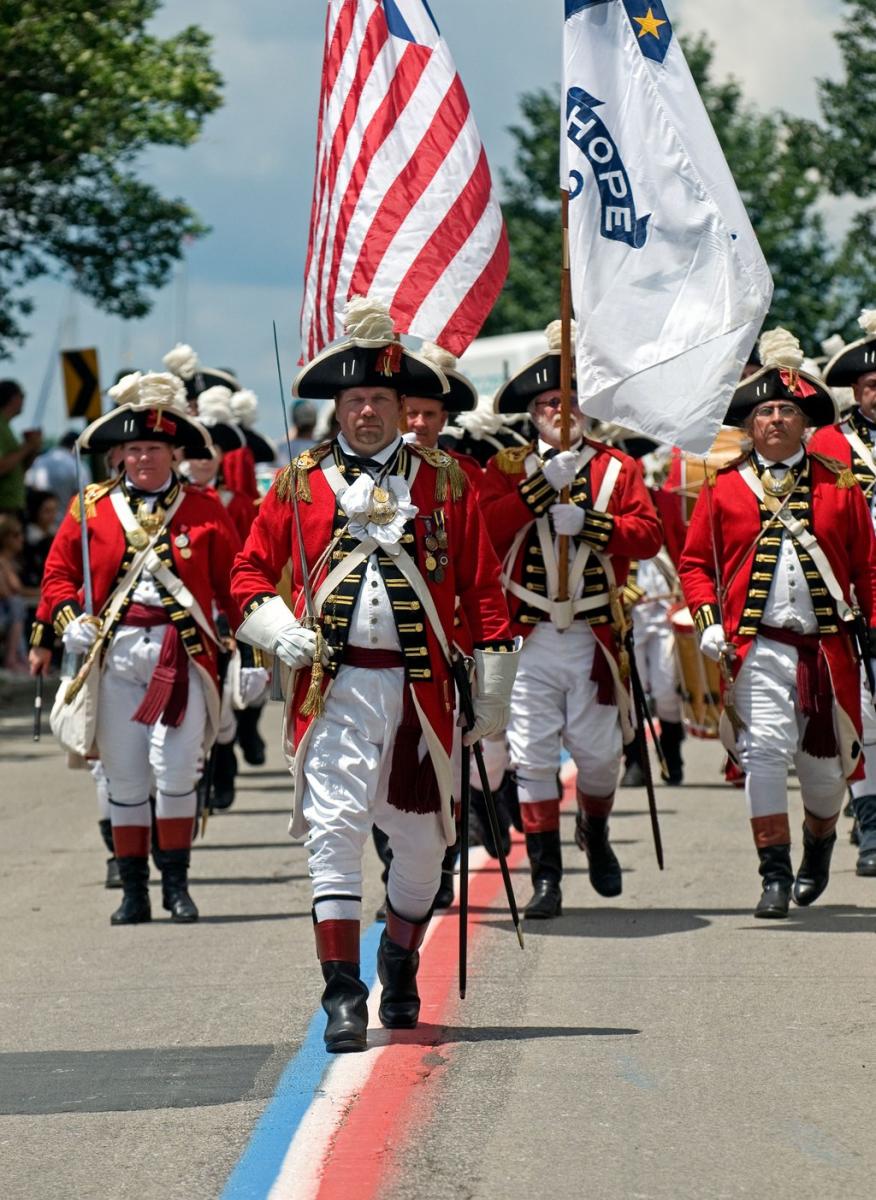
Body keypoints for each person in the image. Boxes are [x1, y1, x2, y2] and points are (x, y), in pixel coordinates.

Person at [231, 297, 516, 1053]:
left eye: (379, 400)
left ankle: (398, 955)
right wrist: (277, 627)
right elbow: (247, 570)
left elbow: (484, 590)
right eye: (353, 400)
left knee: (424, 853)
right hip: (335, 690)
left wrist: (491, 689)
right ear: (339, 407)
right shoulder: (298, 482)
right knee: (333, 835)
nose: (365, 412)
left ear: (401, 407)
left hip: (421, 694)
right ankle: (342, 995)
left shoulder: (447, 481)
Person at [29, 371, 250, 925]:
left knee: (178, 776)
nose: (144, 458)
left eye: (154, 448)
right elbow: (56, 576)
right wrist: (67, 619)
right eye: (134, 449)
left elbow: (238, 585)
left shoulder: (204, 508)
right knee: (125, 780)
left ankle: (177, 884)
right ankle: (134, 892)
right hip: (116, 657)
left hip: (183, 658)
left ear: (174, 453)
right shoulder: (91, 508)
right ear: (120, 455)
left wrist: (255, 654)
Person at [679, 328, 876, 918]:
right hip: (757, 649)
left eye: (787, 410)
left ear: (804, 421)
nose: (775, 420)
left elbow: (866, 568)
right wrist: (709, 620)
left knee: (823, 778)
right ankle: (773, 872)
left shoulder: (839, 487)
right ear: (748, 424)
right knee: (763, 753)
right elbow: (695, 564)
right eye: (765, 410)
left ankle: (818, 842)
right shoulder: (723, 487)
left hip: (826, 652)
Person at [479, 322, 663, 919]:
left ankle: (598, 832)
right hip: (529, 634)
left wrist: (591, 524)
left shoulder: (617, 470)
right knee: (532, 755)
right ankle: (546, 877)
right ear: (532, 413)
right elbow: (482, 533)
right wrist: (536, 493)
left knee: (600, 756)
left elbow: (649, 535)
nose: (561, 410)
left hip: (591, 635)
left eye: (570, 400)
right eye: (549, 403)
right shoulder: (508, 466)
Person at [808, 309, 876, 877]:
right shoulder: (830, 441)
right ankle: (871, 819)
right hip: (854, 590)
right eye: (873, 384)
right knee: (865, 715)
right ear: (856, 389)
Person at [0, 380, 42, 517]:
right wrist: (27, 446)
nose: (24, 401)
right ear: (14, 398)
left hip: (12, 507)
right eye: (22, 396)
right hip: (5, 509)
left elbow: (19, 468)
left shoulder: (6, 426)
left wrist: (32, 448)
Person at [26, 431, 83, 518]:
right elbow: (83, 498)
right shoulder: (77, 466)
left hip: (41, 522)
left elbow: (29, 487)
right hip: (65, 522)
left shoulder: (39, 461)